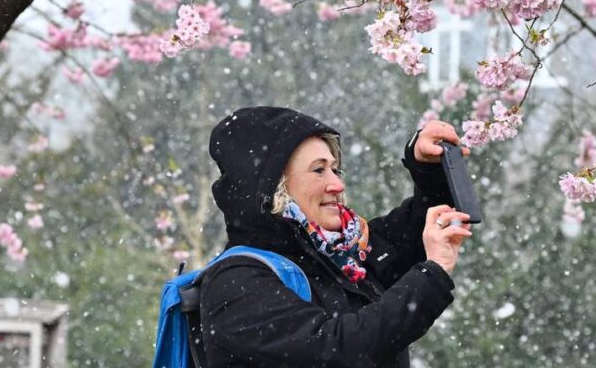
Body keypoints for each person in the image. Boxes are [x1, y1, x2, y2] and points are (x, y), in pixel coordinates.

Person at [201, 106, 473, 367]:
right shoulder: (236, 283)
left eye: (335, 169)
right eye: (319, 170)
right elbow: (339, 351)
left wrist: (428, 168)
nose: (337, 184)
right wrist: (433, 271)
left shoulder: (339, 255)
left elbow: (410, 238)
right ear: (272, 185)